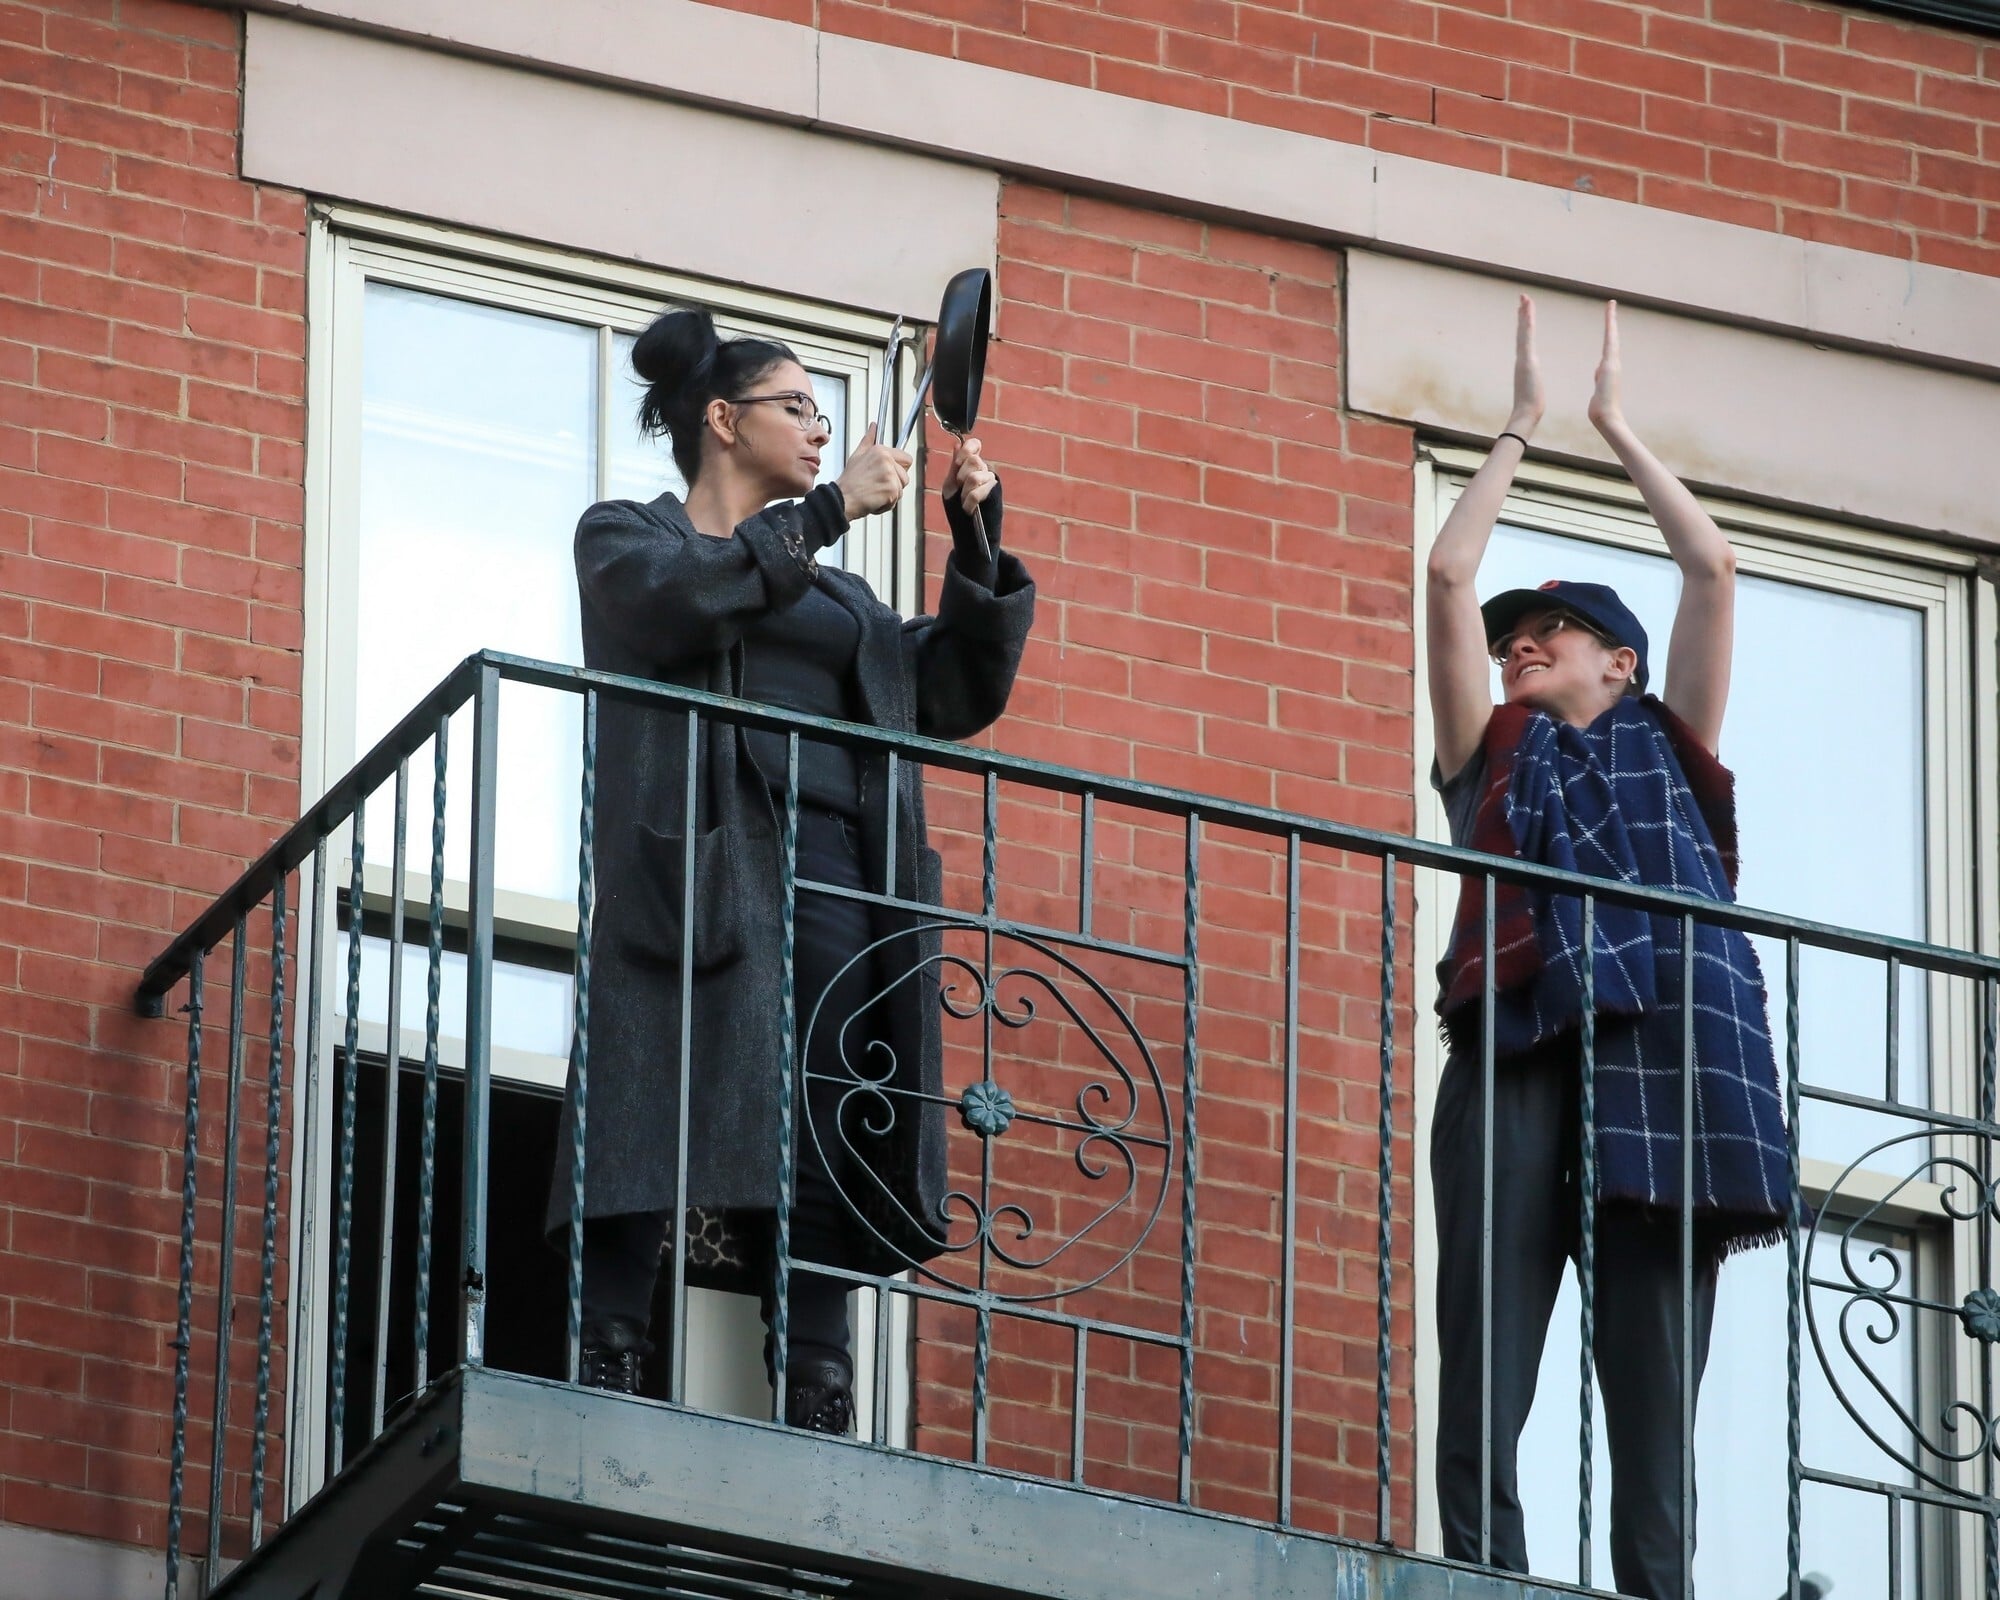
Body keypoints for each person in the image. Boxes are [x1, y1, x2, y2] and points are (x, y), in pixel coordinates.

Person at [547, 306, 1035, 1432]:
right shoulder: (627, 537)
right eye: (798, 407)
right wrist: (824, 514)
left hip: (837, 876)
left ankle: (817, 1382)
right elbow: (676, 603)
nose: (821, 430)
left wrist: (974, 540)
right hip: (701, 861)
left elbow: (949, 691)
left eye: (824, 413)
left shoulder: (844, 601)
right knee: (653, 1097)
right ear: (723, 421)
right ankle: (608, 1353)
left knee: (828, 1113)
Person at [1424, 298, 1788, 1598]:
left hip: (1666, 1068)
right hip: (1520, 1050)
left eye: (1552, 633)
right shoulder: (1488, 754)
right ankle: (1486, 1580)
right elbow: (1448, 578)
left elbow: (1713, 572)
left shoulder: (1672, 754)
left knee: (1651, 1399)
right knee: (1484, 1363)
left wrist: (1617, 428)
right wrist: (1518, 429)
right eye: (1511, 642)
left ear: (1621, 664)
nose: (1518, 646)